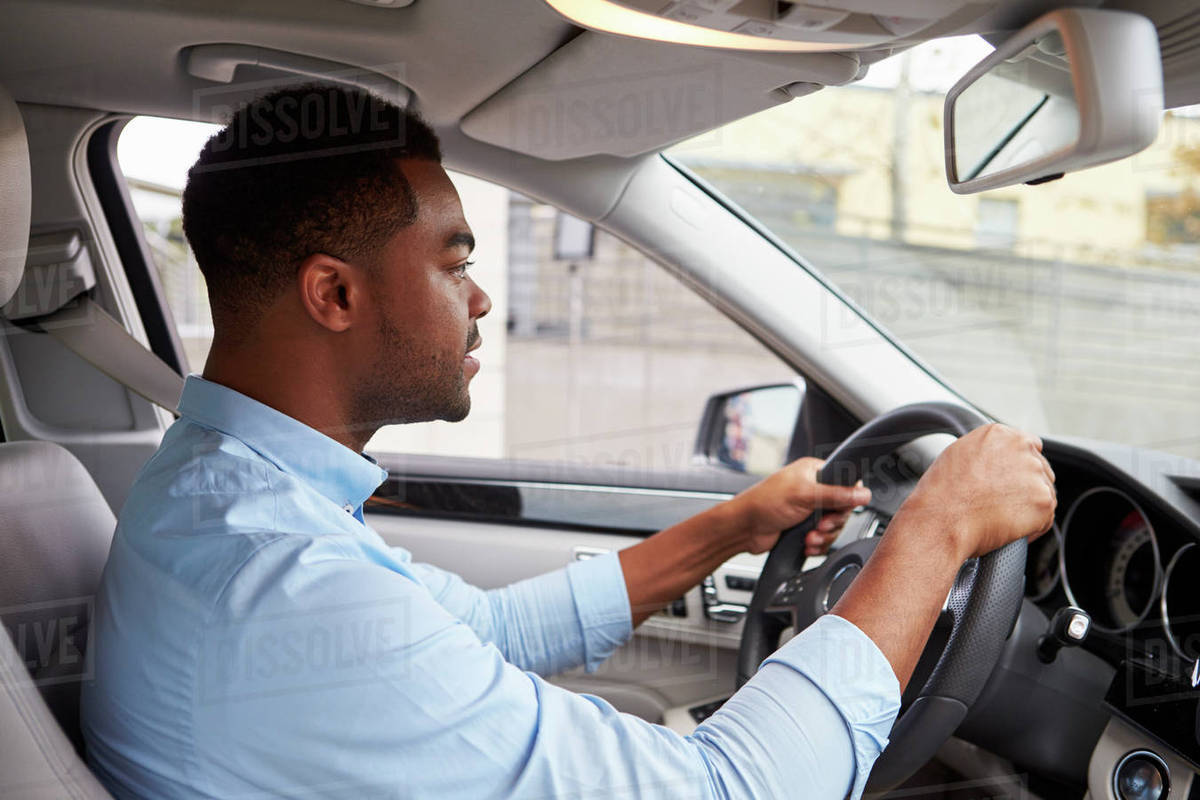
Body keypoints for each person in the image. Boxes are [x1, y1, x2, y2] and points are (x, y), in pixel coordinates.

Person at [80, 84, 1056, 800]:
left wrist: (733, 523)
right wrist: (931, 532)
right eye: (453, 262)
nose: (482, 297)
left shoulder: (224, 493)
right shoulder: (284, 579)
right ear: (336, 293)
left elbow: (487, 635)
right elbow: (732, 790)